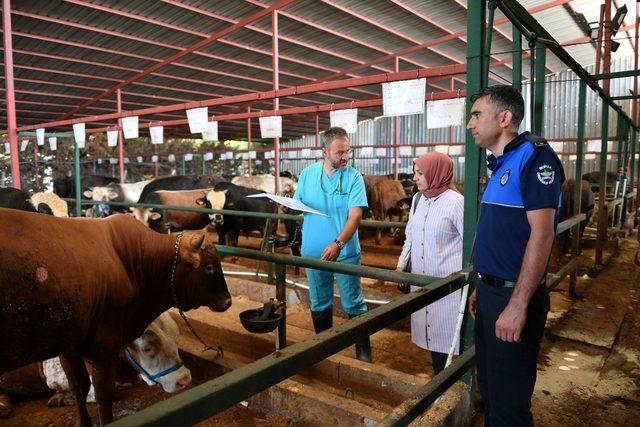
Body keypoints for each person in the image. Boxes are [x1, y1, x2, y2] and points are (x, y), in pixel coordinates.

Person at [467, 85, 565, 426]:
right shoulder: (502, 163)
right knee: (492, 389)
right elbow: (505, 236)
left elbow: (543, 232)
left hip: (514, 297)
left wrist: (518, 303)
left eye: (477, 114)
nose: (470, 124)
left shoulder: (536, 158)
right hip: (495, 292)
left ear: (504, 117)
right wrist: (485, 283)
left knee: (509, 405)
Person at [290, 126, 372, 362]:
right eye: (339, 152)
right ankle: (325, 353)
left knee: (353, 302)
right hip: (314, 252)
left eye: (348, 151)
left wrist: (338, 243)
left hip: (344, 252)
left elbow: (355, 216)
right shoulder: (307, 174)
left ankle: (363, 355)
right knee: (319, 301)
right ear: (324, 151)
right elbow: (298, 204)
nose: (345, 157)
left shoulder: (353, 176)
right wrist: (286, 206)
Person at [395, 152, 464, 374]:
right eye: (415, 172)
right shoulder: (417, 200)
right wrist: (400, 266)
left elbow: (473, 244)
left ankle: (455, 387)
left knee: (451, 340)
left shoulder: (457, 203)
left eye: (420, 173)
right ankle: (440, 381)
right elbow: (411, 237)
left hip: (448, 288)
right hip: (421, 282)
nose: (414, 178)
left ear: (436, 173)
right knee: (431, 335)